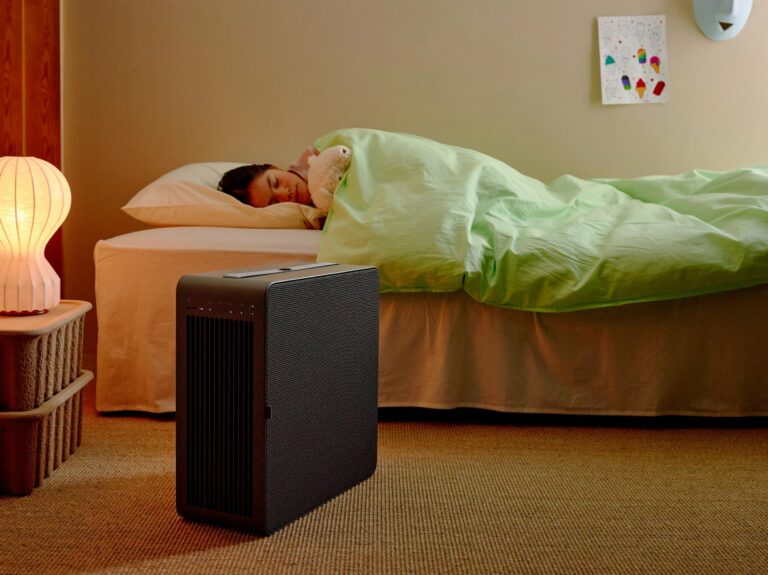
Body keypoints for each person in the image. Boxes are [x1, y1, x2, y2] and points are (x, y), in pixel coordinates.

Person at [217, 147, 317, 208]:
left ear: (274, 168)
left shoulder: (316, 154)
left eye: (276, 182)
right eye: (274, 203)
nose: (284, 194)